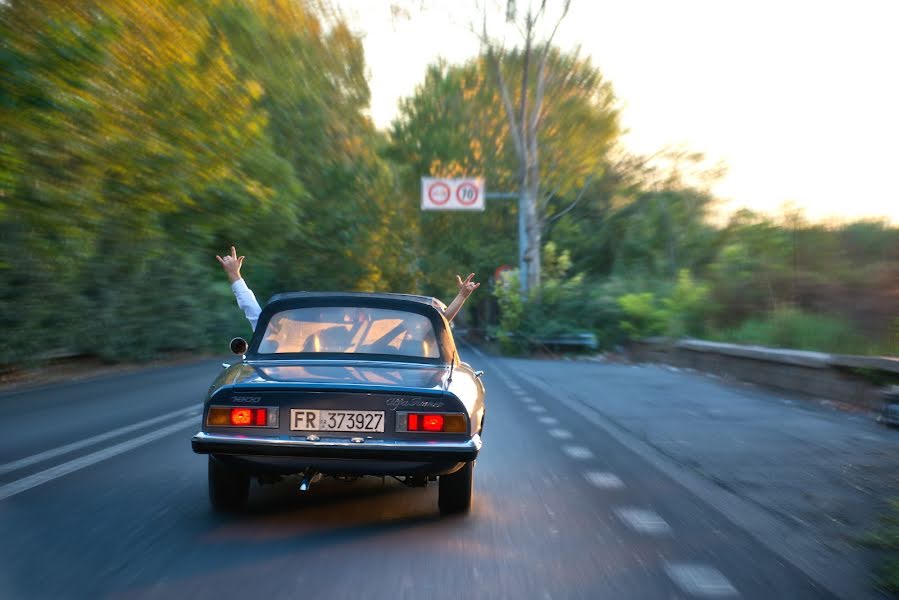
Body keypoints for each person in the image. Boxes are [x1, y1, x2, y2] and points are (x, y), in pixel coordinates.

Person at [215, 246, 480, 331]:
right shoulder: (289, 334)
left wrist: (461, 296)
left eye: (355, 316)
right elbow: (254, 313)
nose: (350, 318)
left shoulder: (385, 335)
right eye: (348, 316)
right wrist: (236, 277)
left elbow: (439, 321)